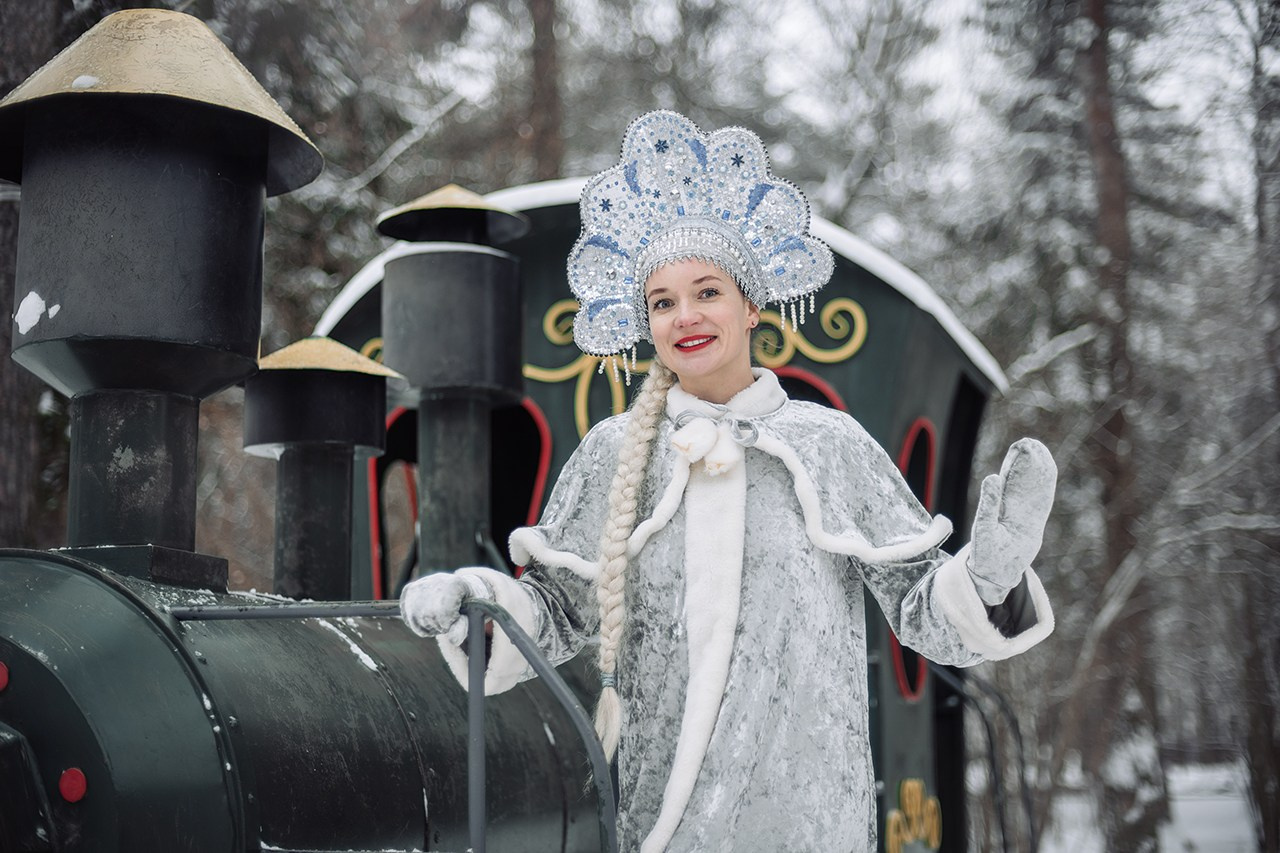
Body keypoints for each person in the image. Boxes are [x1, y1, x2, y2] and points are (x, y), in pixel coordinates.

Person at [400, 110, 1056, 851]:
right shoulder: (618, 453)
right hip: (666, 829)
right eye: (662, 301)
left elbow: (920, 606)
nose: (686, 316)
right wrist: (478, 604)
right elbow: (557, 611)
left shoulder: (829, 444)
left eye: (707, 291)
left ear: (750, 304)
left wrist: (991, 574)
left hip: (814, 828)